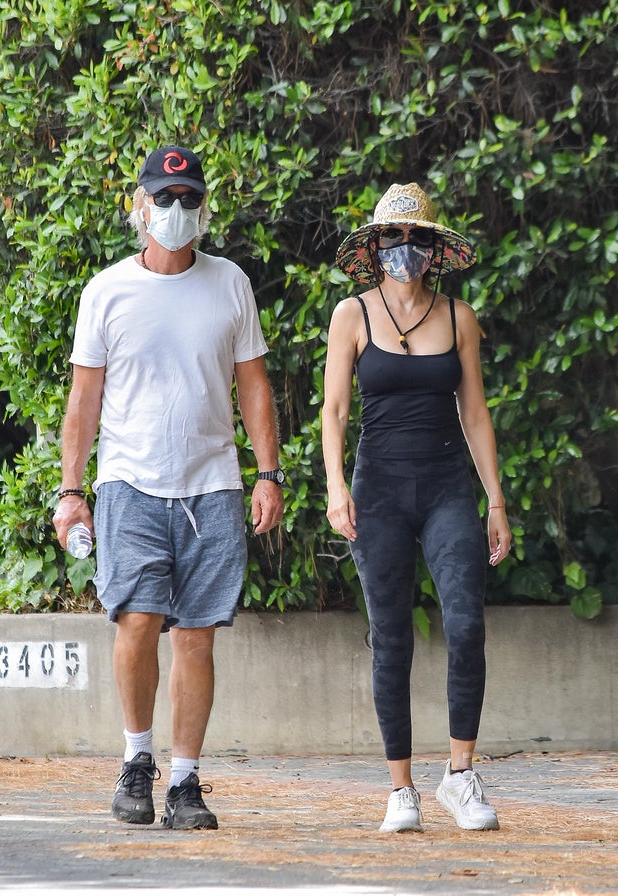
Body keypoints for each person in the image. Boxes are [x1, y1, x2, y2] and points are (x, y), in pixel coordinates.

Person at [53, 145, 285, 831]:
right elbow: (83, 401)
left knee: (196, 638)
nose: (176, 211)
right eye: (164, 198)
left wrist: (267, 474)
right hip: (130, 482)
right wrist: (70, 491)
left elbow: (254, 385)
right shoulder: (107, 292)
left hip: (212, 484)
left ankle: (185, 781)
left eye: (188, 199)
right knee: (137, 622)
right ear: (139, 206)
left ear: (204, 208)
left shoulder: (230, 284)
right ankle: (136, 761)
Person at [322, 183, 511, 833]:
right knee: (392, 640)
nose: (407, 248)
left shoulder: (459, 317)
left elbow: (476, 413)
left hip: (446, 488)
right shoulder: (352, 315)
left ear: (436, 249)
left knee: (465, 622)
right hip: (378, 492)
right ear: (374, 248)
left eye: (419, 238)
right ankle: (401, 788)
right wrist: (333, 486)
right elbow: (335, 410)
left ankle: (460, 776)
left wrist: (495, 499)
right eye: (395, 238)